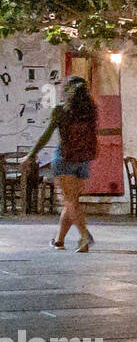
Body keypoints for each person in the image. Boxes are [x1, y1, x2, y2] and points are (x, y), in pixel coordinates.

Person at [23, 76, 98, 252]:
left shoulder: (60, 111)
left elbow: (46, 135)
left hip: (64, 159)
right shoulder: (91, 112)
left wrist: (31, 154)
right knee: (72, 202)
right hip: (83, 160)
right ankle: (59, 240)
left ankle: (84, 236)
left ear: (67, 91)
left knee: (69, 201)